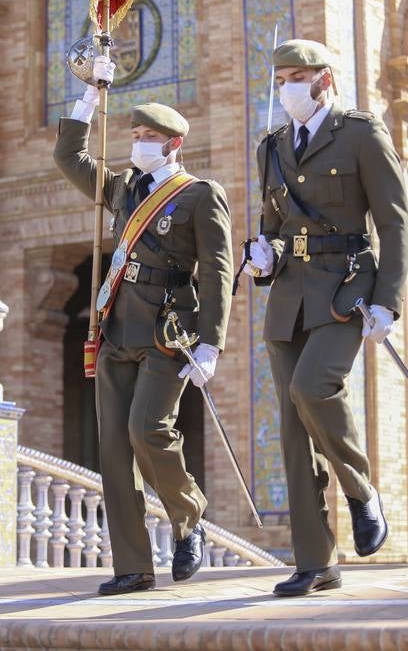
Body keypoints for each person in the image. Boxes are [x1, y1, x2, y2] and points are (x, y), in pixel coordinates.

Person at [53, 55, 234, 595]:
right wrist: (89, 96)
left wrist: (211, 343)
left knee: (147, 429)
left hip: (166, 332)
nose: (138, 142)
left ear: (173, 144)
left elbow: (219, 271)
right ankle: (132, 566)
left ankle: (188, 514)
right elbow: (69, 156)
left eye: (149, 135)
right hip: (114, 330)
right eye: (134, 133)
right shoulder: (124, 188)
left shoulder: (200, 195)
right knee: (112, 450)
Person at [244, 39, 408, 597]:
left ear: (324, 79)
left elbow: (395, 221)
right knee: (294, 432)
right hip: (289, 295)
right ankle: (316, 561)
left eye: (298, 76)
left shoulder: (361, 133)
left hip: (346, 288)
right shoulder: (271, 146)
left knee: (315, 387)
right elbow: (272, 222)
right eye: (281, 77)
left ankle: (361, 492)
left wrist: (389, 298)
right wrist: (261, 254)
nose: (287, 86)